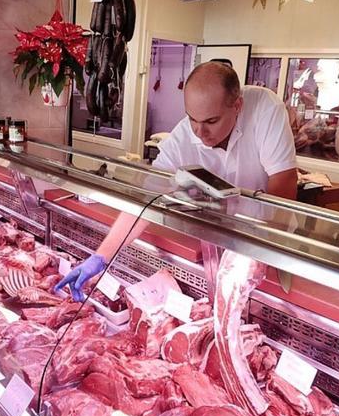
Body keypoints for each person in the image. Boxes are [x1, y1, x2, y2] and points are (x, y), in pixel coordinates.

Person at [58, 61, 297, 299]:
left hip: (270, 240)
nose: (199, 132)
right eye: (192, 119)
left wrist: (259, 251)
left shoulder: (265, 109)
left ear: (237, 106)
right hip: (218, 239)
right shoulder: (183, 135)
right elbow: (147, 198)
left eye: (211, 121)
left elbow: (283, 187)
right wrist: (102, 255)